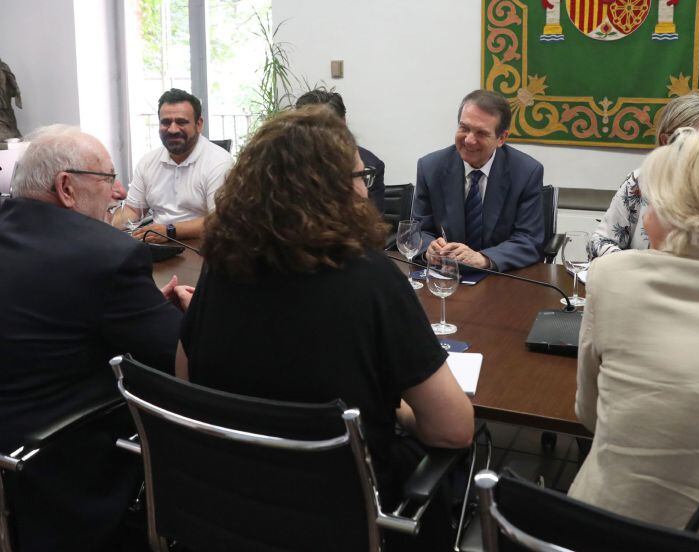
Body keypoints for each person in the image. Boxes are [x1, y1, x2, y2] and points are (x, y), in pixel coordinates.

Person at [176, 106, 474, 550]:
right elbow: (453, 429)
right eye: (360, 178)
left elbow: (187, 378)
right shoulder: (374, 277)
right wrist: (392, 410)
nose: (364, 190)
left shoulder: (223, 263)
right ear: (329, 190)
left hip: (232, 507)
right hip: (345, 518)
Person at [569, 127, 699, 546]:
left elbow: (589, 415)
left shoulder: (613, 278)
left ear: (680, 210)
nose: (645, 216)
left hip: (613, 530)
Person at [0, 125, 185, 550]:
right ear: (66, 187)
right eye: (107, 179)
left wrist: (134, 308)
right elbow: (173, 356)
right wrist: (192, 319)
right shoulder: (108, 254)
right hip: (60, 466)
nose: (119, 192)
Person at [413, 89, 544, 272]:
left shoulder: (526, 172)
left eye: (481, 133)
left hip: (501, 280)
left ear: (501, 138)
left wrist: (483, 258)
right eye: (464, 128)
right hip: (444, 276)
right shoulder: (430, 167)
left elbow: (529, 240)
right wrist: (429, 249)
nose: (469, 140)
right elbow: (418, 230)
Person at [588, 93, 699, 258]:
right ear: (666, 141)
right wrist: (627, 266)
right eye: (697, 140)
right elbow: (600, 241)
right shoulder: (641, 181)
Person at [114, 88, 234, 243]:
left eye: (181, 122)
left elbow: (220, 221)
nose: (172, 129)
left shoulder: (219, 162)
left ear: (199, 124)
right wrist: (103, 224)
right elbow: (133, 210)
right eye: (165, 122)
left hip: (204, 246)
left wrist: (169, 230)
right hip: (157, 243)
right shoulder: (148, 162)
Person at [295, 88, 386, 213]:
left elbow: (374, 223)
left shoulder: (369, 166)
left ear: (342, 122)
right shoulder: (283, 165)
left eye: (324, 125)